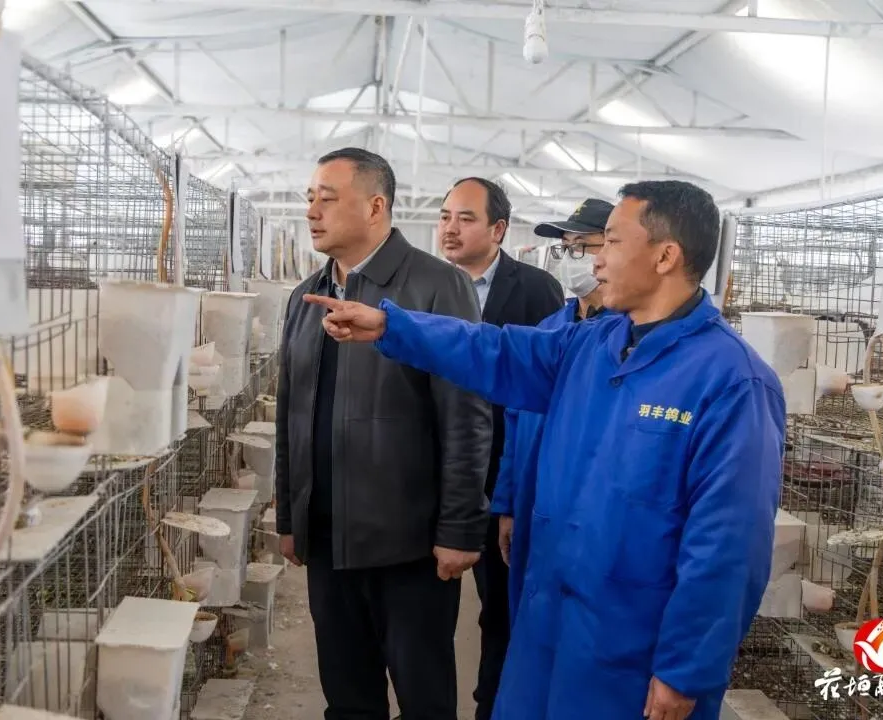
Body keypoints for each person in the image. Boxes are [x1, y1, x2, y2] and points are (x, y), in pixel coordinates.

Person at [302, 180, 785, 720]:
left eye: (612, 242)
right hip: (547, 622)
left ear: (666, 256)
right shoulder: (592, 343)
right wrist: (393, 326)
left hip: (631, 649)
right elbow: (494, 349)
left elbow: (729, 544)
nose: (597, 259)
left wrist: (685, 668)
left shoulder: (731, 382)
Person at [274, 147, 493, 720]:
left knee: (423, 698)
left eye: (327, 199)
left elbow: (466, 415)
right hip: (328, 538)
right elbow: (290, 415)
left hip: (409, 545)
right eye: (309, 199)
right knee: (348, 698)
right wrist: (290, 518)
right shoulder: (305, 297)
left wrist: (460, 528)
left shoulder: (437, 286)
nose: (312, 211)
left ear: (376, 207)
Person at [438, 176, 564, 720]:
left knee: (501, 611)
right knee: (429, 610)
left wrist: (515, 491)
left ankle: (491, 706)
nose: (450, 228)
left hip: (501, 479)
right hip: (439, 479)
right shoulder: (427, 287)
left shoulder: (535, 290)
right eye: (445, 216)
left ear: (498, 229)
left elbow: (539, 392)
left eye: (465, 218)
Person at [492, 199, 614, 628]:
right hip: (532, 500)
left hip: (586, 512)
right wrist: (508, 505)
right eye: (565, 247)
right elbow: (515, 420)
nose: (570, 258)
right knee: (527, 619)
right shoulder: (549, 330)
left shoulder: (626, 339)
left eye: (581, 246)